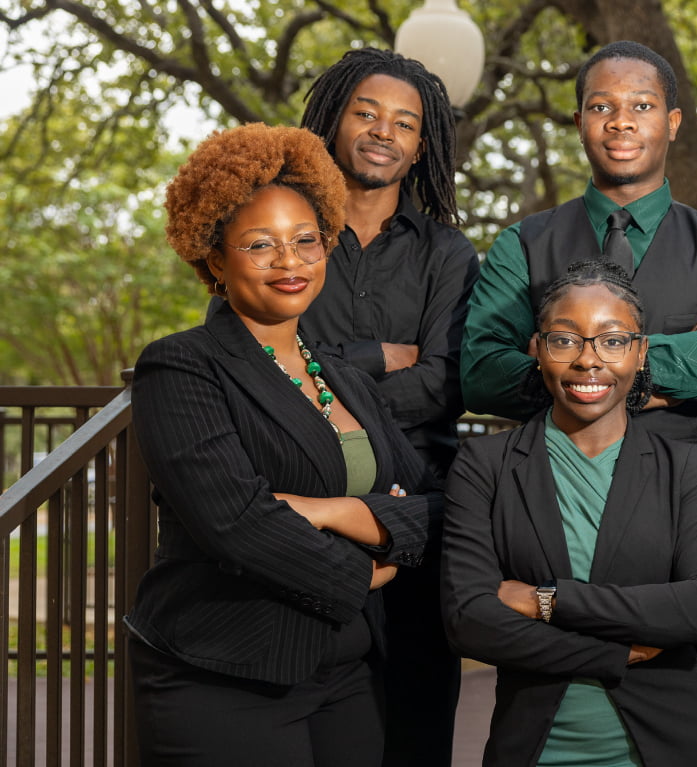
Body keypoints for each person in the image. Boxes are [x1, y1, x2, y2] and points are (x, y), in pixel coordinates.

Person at [460, 39, 697, 726]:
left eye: (641, 106)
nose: (621, 121)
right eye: (602, 106)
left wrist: (580, 361)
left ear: (674, 121)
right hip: (549, 507)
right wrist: (680, 355)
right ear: (579, 121)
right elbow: (481, 369)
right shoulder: (524, 242)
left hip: (676, 515)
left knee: (693, 707)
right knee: (546, 704)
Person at [125, 123, 443, 765]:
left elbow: (432, 503)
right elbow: (237, 524)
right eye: (260, 245)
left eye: (306, 241)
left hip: (349, 672)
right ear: (215, 257)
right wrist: (366, 571)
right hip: (223, 673)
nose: (290, 262)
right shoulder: (181, 367)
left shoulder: (343, 377)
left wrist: (328, 511)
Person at [443, 260, 697, 767]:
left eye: (612, 340)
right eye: (565, 340)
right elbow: (470, 620)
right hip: (536, 747)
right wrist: (616, 651)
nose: (589, 361)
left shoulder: (685, 467)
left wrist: (548, 600)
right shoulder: (486, 465)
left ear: (641, 351)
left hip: (677, 743)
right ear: (537, 350)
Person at [297, 48, 479, 765]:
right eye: (366, 112)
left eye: (403, 123)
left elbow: (443, 381)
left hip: (419, 507)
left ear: (420, 148)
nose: (383, 131)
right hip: (306, 499)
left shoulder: (448, 253)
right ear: (335, 121)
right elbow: (269, 369)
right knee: (311, 713)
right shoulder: (289, 239)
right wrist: (381, 355)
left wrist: (327, 370)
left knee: (415, 716)